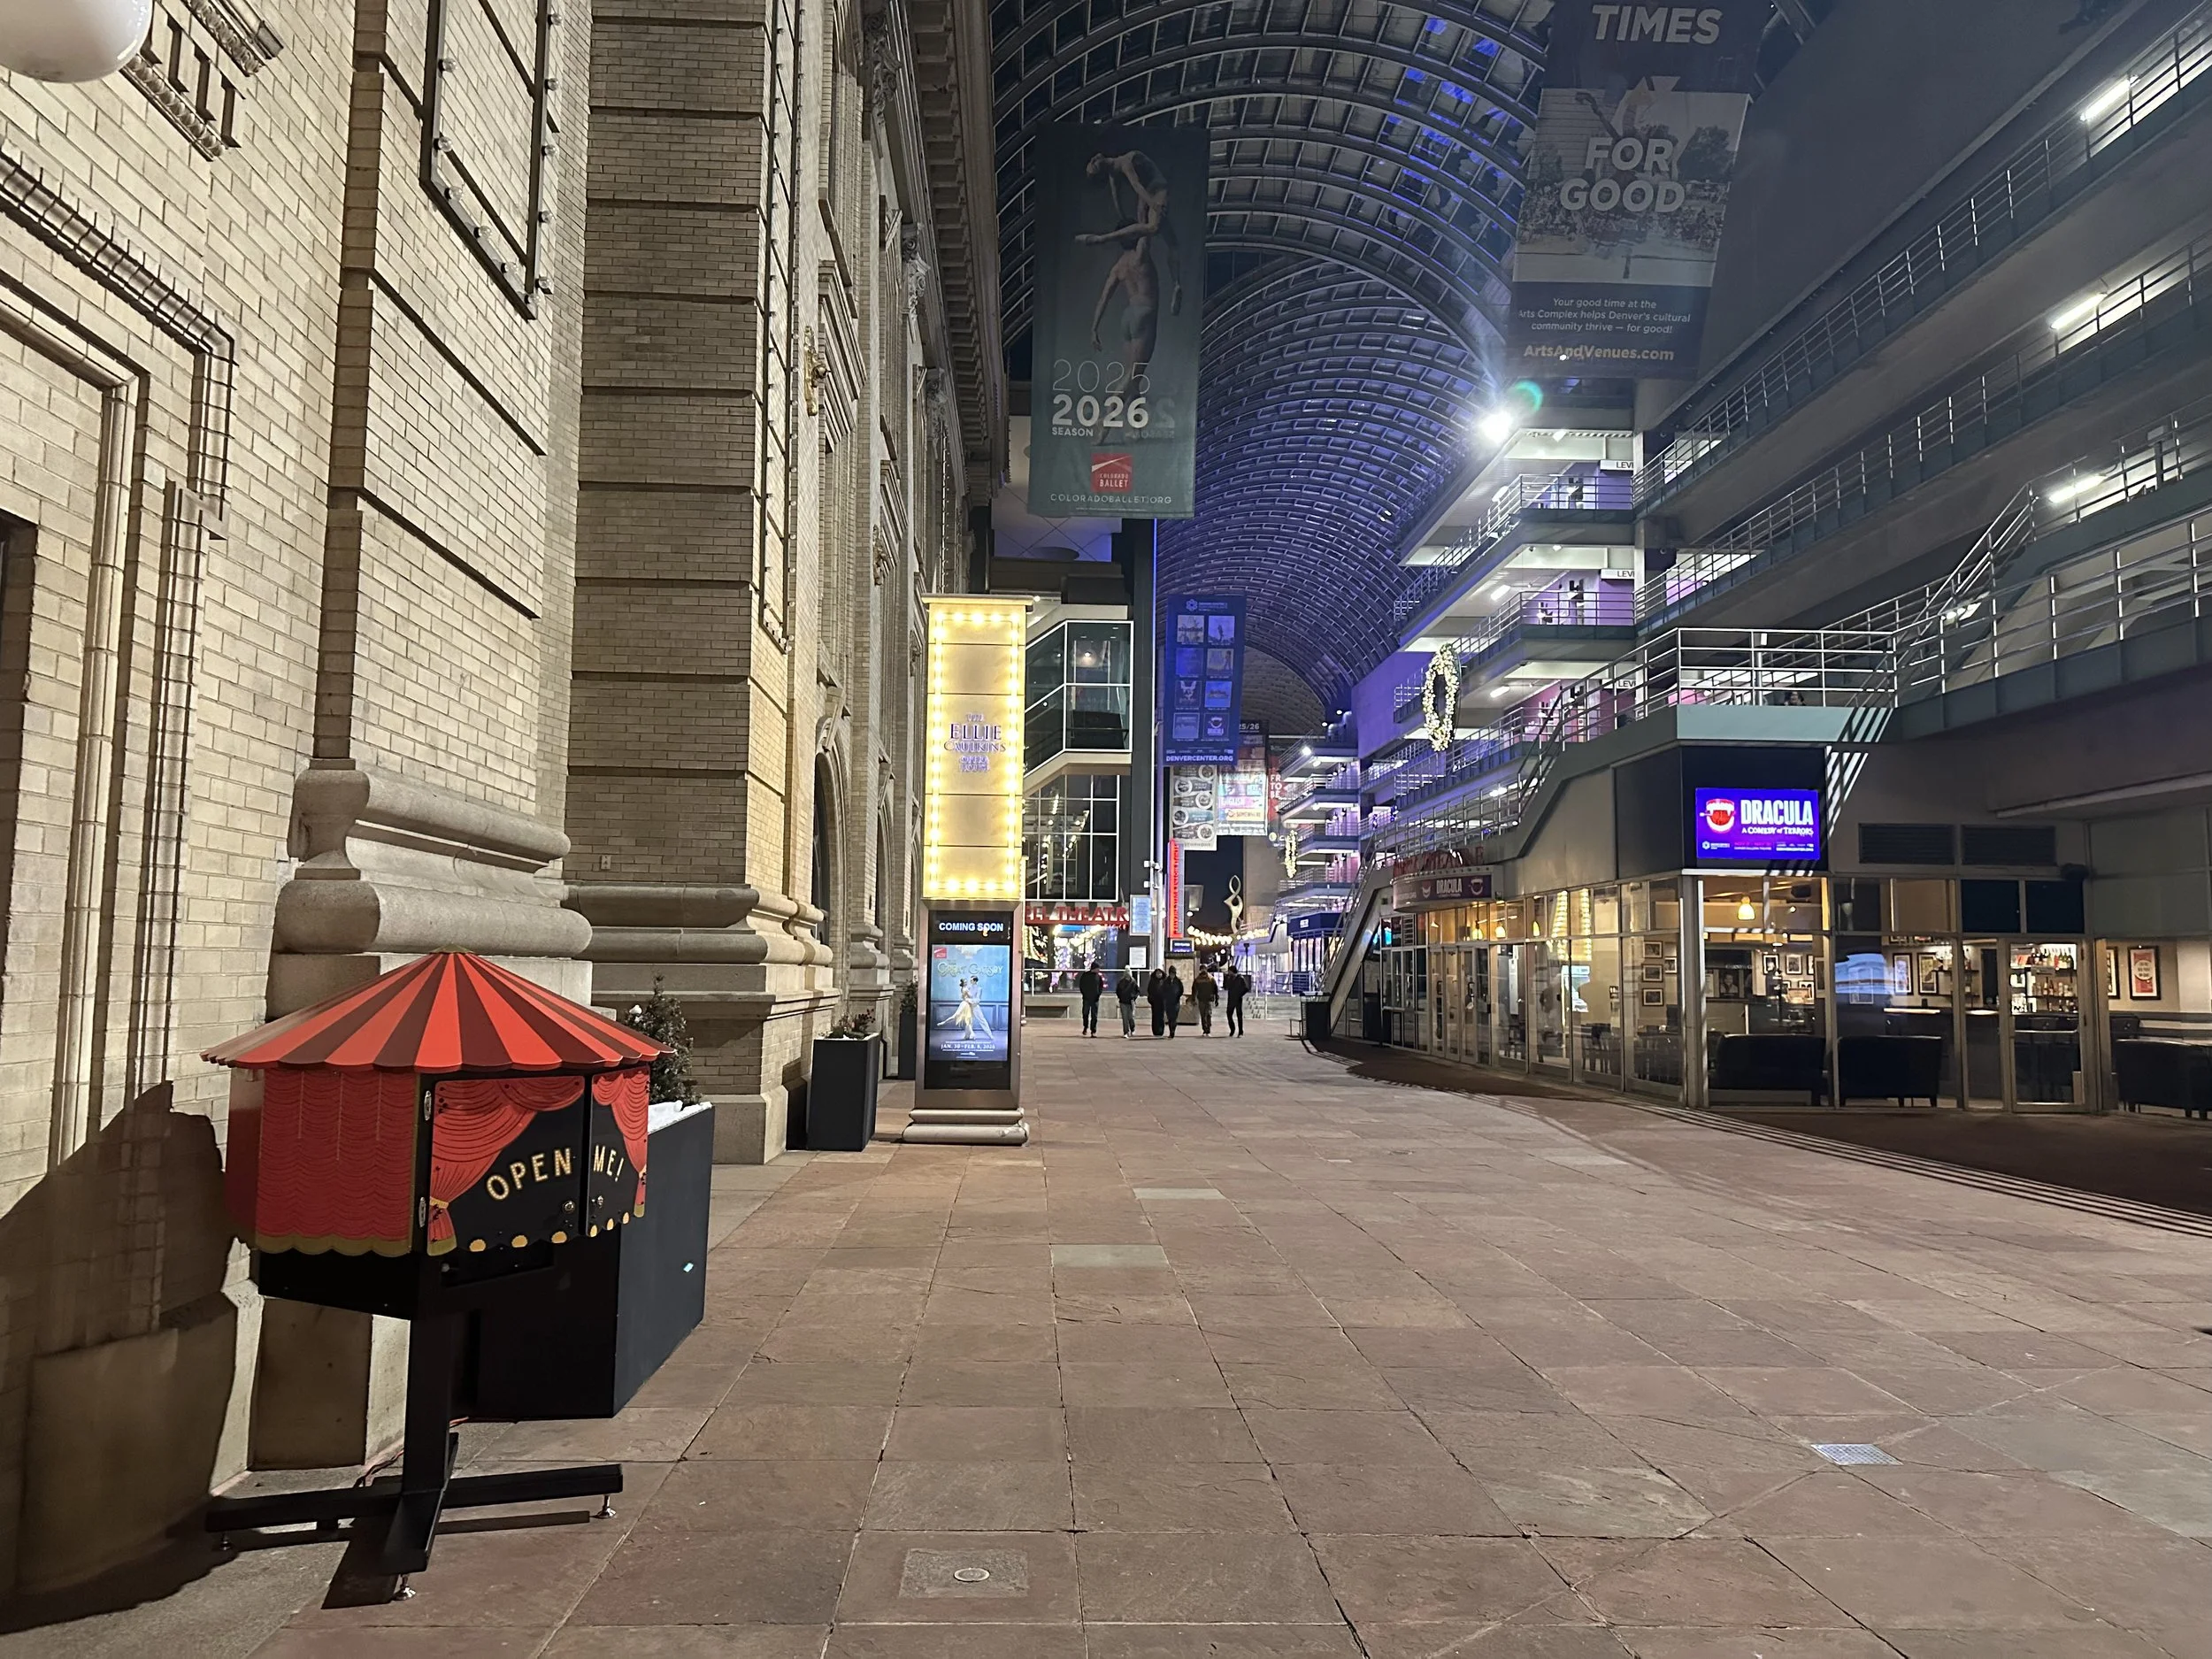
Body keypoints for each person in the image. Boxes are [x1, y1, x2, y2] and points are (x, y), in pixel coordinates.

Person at [1076, 959, 1105, 1037]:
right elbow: (1081, 985)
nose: (1099, 970)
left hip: (1095, 999)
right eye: (1098, 968)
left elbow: (1101, 987)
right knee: (1085, 1014)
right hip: (1086, 998)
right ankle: (1085, 1027)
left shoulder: (1098, 977)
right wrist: (1084, 994)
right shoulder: (1085, 976)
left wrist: (1098, 995)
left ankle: (1093, 1030)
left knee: (1094, 1016)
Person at [1115, 966, 1141, 1037]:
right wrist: (1120, 997)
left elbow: (1137, 991)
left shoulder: (1133, 982)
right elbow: (1118, 991)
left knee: (1131, 1017)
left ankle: (1132, 1028)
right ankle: (1126, 1032)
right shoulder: (1121, 982)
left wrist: (1134, 997)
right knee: (1124, 1018)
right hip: (1123, 1002)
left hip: (1131, 1002)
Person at [1191, 965, 1218, 1035]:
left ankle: (1208, 1029)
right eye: (1201, 969)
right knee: (1203, 1015)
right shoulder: (1197, 979)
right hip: (1201, 999)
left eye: (1204, 969)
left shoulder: (1211, 978)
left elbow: (1215, 989)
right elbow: (1194, 990)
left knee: (1208, 1014)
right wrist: (1193, 999)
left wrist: (1216, 999)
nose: (1203, 970)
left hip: (1209, 999)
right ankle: (1205, 1030)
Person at [1225, 964, 1248, 1036]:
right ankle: (1232, 1029)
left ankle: (1240, 1031)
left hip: (1238, 999)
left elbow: (1246, 988)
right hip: (1231, 999)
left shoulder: (1240, 978)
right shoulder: (1229, 978)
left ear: (1232, 971)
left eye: (1229, 971)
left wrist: (1240, 994)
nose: (1228, 973)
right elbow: (1226, 987)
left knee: (1239, 1016)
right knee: (1229, 1014)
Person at [1164, 966, 1186, 1038]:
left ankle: (1173, 1030)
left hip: (1176, 1002)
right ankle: (1171, 1032)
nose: (1172, 975)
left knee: (1174, 1018)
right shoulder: (1166, 981)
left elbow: (1181, 990)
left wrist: (1178, 996)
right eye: (1171, 973)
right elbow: (1163, 990)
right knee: (1170, 1018)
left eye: (1173, 973)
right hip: (1168, 1002)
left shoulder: (1178, 981)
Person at [1147, 968, 1168, 1037]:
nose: (1159, 975)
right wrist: (1151, 999)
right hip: (1155, 1002)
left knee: (1161, 1016)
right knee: (1155, 1016)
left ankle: (1161, 1030)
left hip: (1162, 1002)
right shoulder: (1152, 981)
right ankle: (1155, 1031)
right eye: (1157, 973)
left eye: (1160, 973)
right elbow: (1149, 991)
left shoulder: (1164, 981)